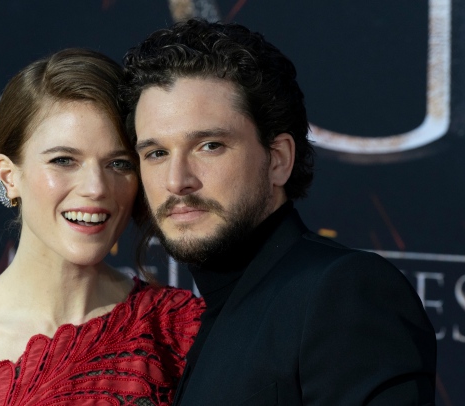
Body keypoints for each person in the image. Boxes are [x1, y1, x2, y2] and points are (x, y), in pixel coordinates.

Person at [121, 19, 437, 405]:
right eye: (156, 153)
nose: (177, 181)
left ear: (278, 159)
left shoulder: (344, 292)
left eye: (210, 146)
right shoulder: (199, 322)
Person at [0, 49, 204, 406]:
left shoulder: (179, 330)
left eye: (119, 163)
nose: (96, 188)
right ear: (9, 177)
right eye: (64, 160)